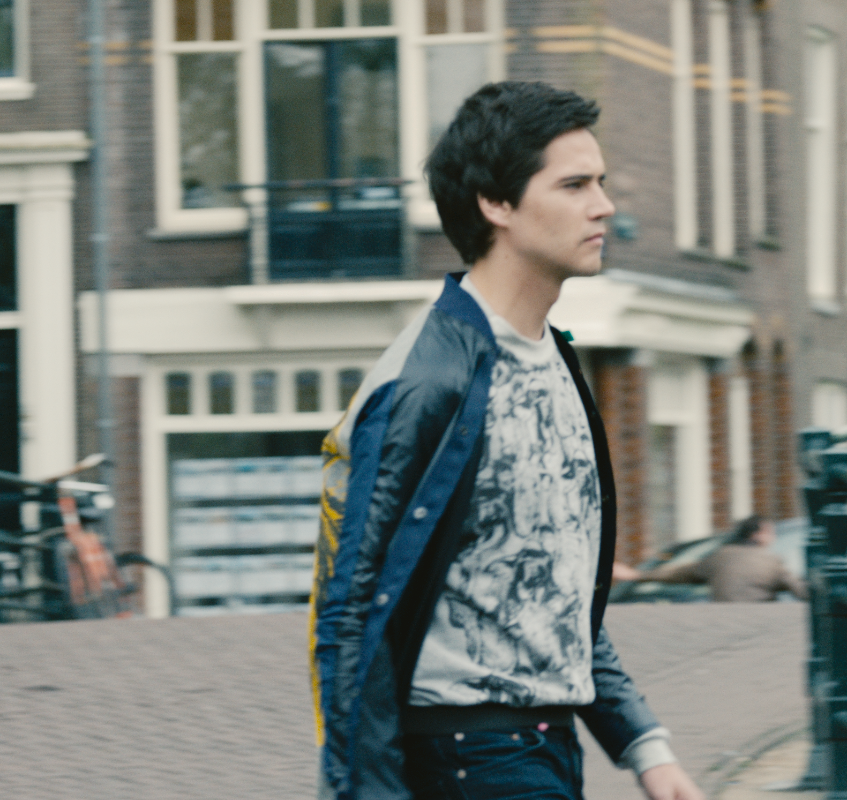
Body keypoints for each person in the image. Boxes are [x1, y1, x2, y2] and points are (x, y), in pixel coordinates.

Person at [311, 82, 704, 800]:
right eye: (575, 185)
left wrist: (644, 744)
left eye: (601, 183)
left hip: (541, 746)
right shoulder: (428, 382)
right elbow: (352, 609)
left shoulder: (555, 360)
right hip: (471, 753)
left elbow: (551, 589)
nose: (603, 206)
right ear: (496, 203)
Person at [612, 516, 806, 602]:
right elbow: (799, 590)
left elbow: (680, 573)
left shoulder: (719, 556)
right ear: (757, 535)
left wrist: (637, 575)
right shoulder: (772, 561)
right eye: (770, 532)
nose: (773, 537)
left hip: (721, 617)